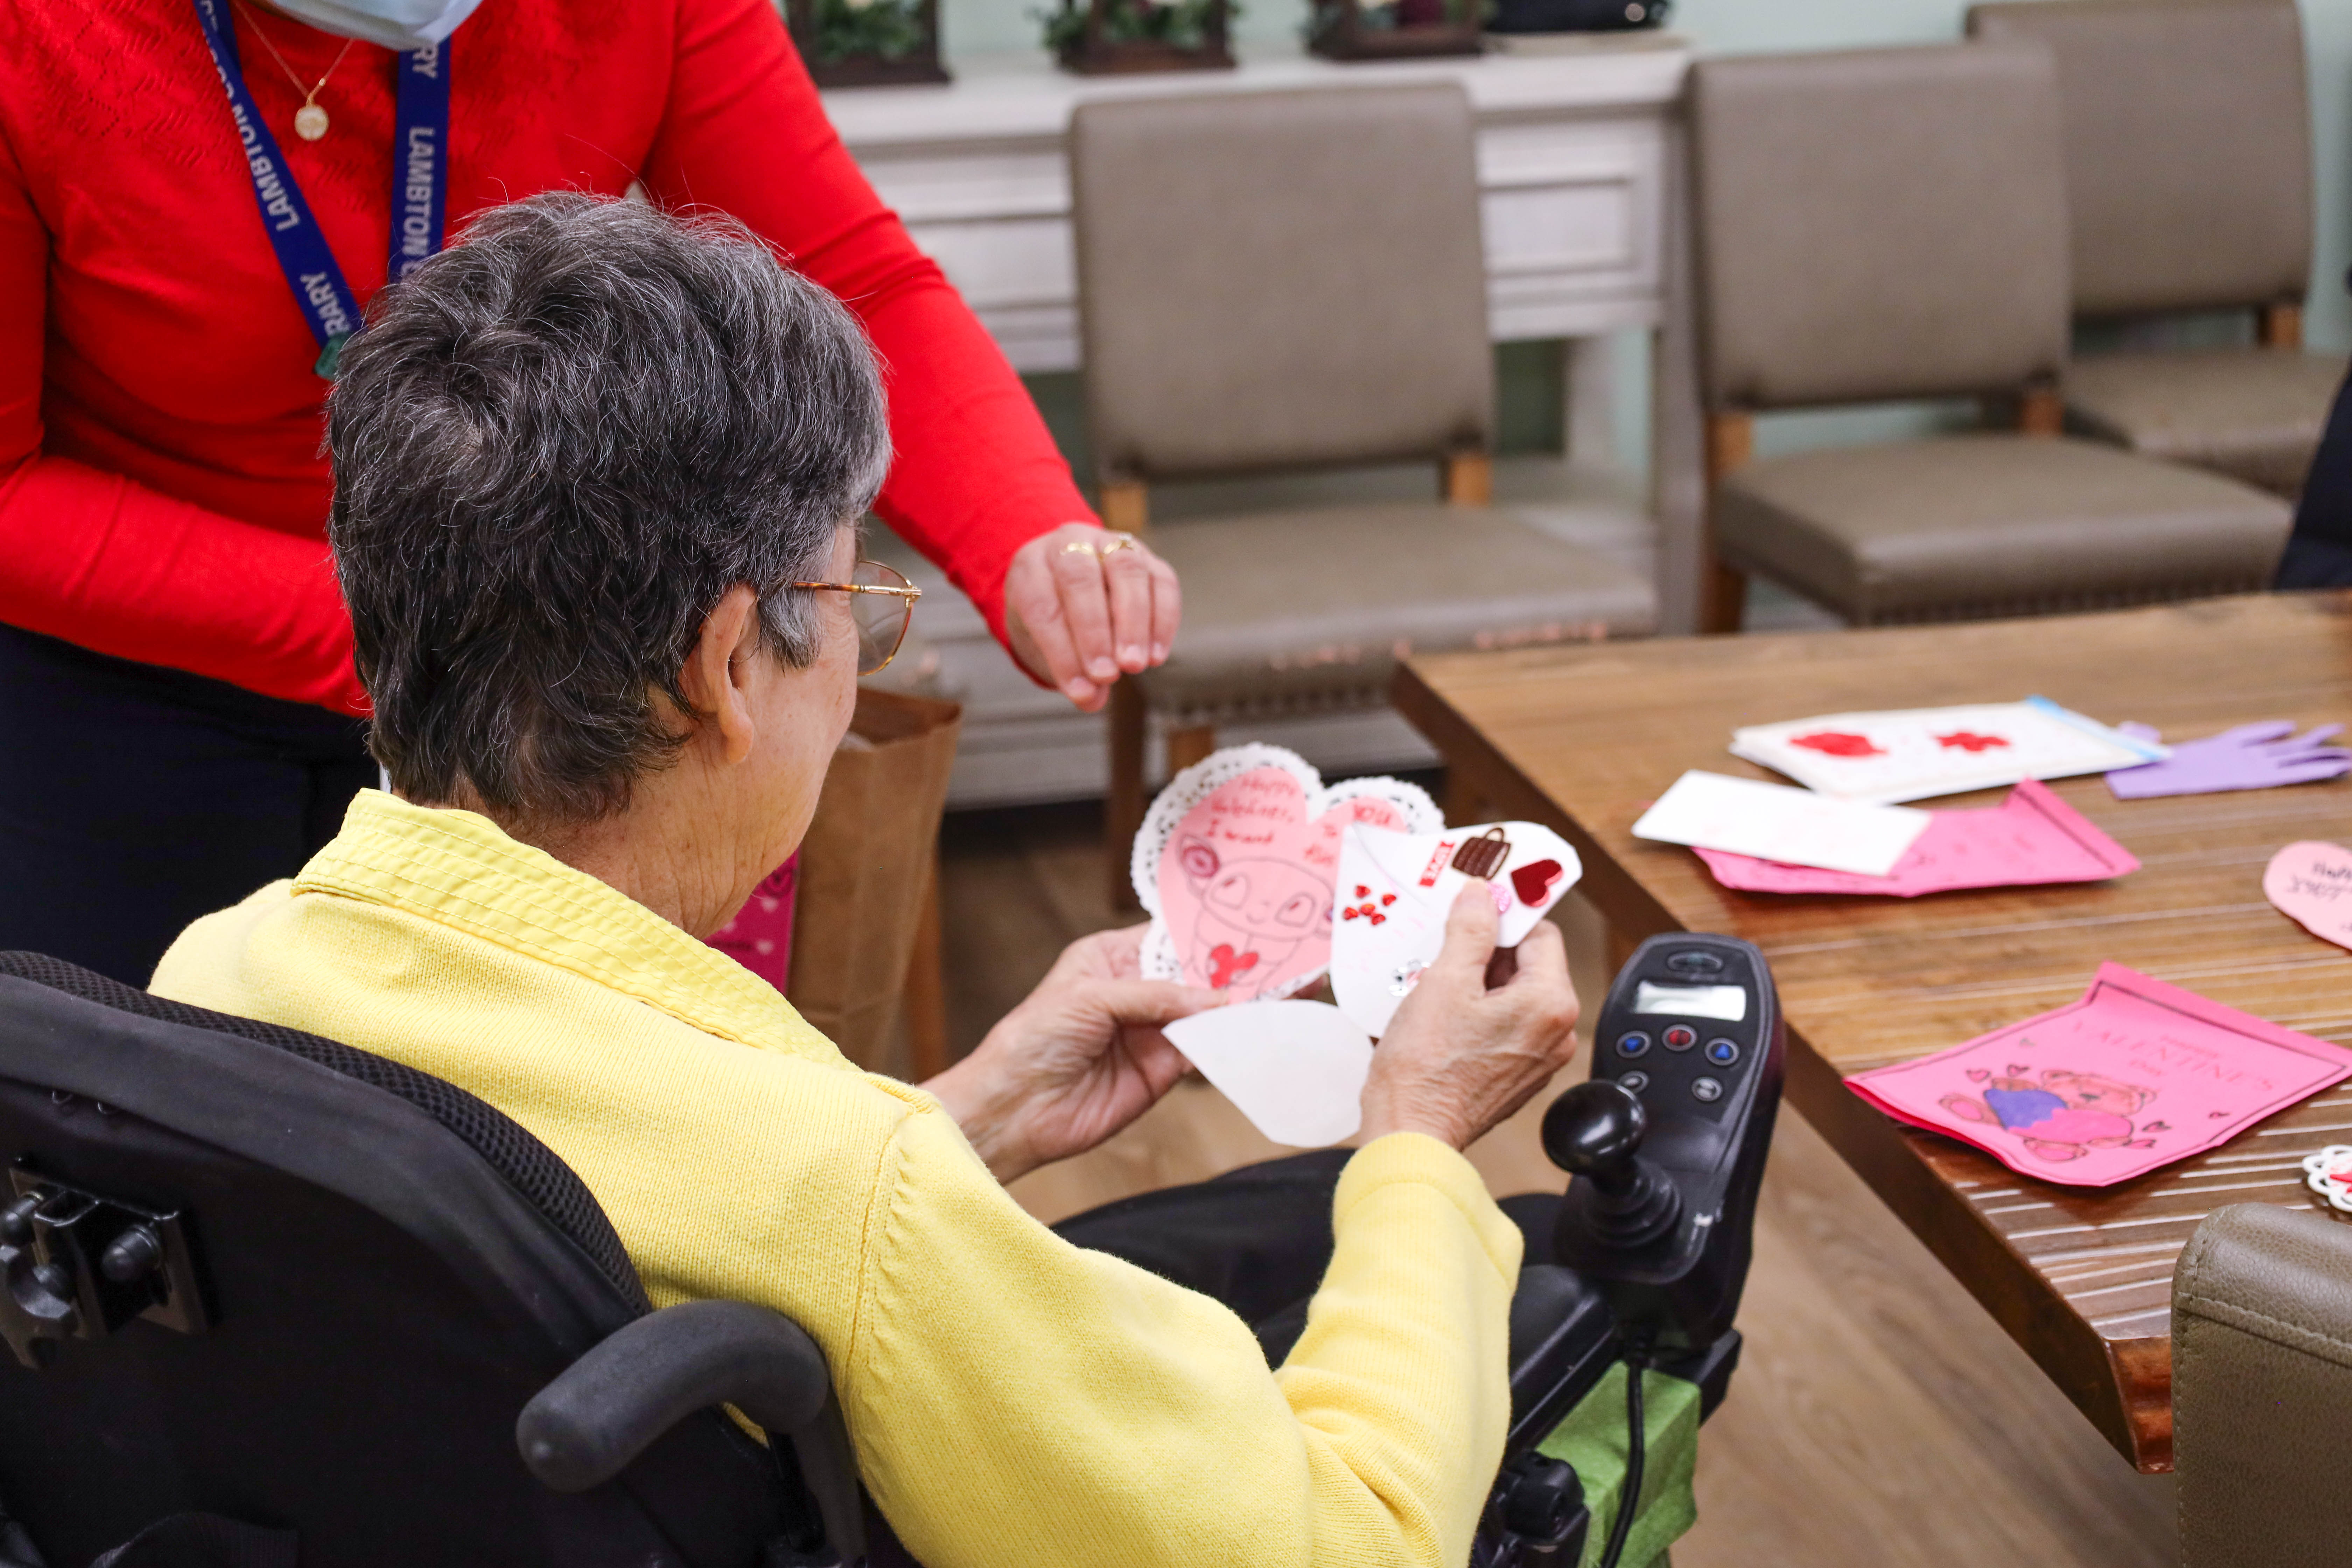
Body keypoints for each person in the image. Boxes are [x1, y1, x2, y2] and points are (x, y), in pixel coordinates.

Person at [150, 194, 1583, 1567]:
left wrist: (980, 1106)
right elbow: (1353, 1544)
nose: (852, 662)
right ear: (724, 669)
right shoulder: (848, 1194)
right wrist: (1420, 1140)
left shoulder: (214, 977)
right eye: (849, 603)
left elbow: (599, 1239)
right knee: (1543, 1269)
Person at [0, 0, 1177, 985]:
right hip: (139, 678)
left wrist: (1028, 527)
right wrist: (407, 624)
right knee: (169, 1147)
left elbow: (850, 276)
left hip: (523, 673)